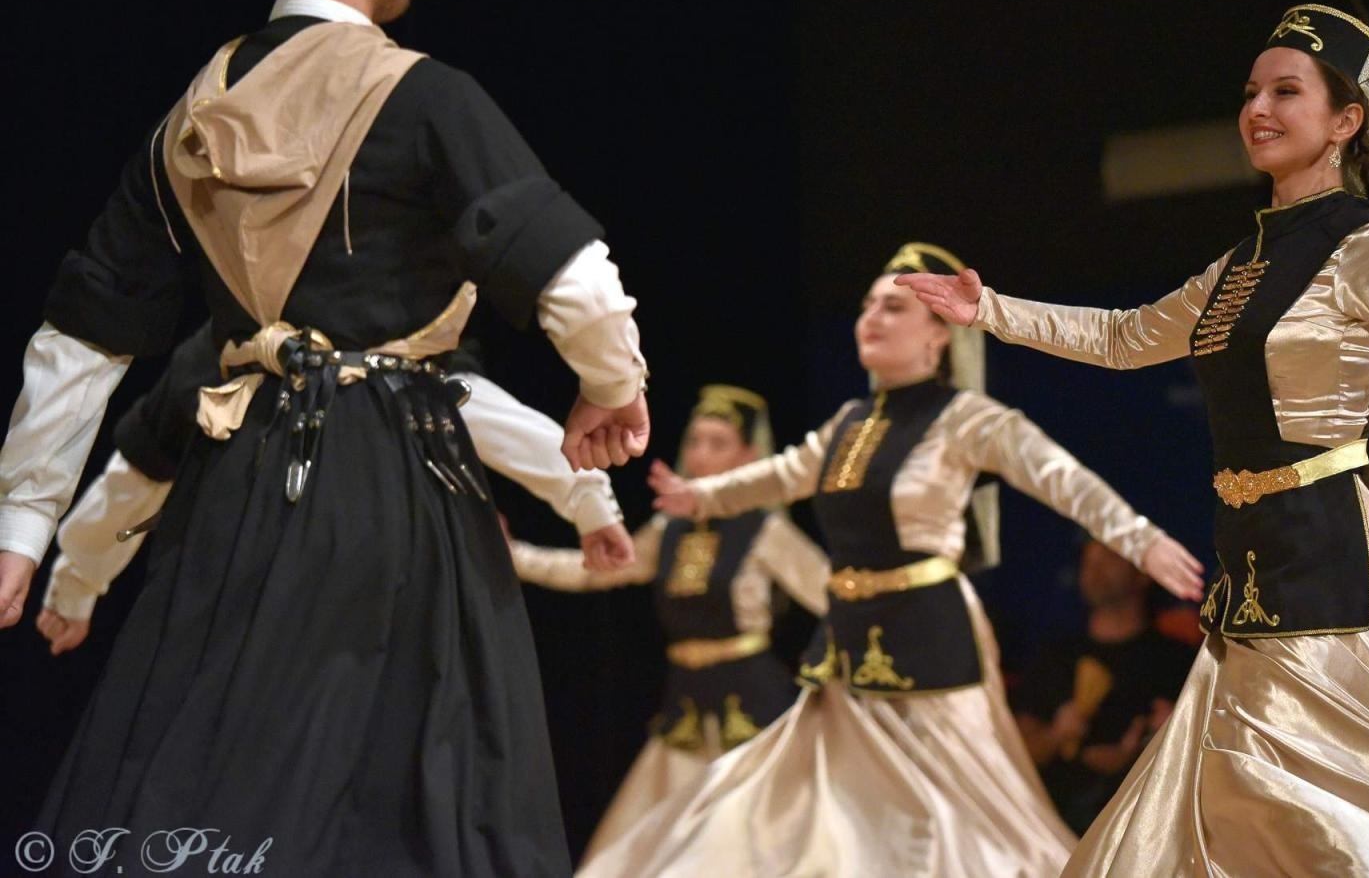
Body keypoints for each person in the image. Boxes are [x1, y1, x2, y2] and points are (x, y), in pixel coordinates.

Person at [0, 0, 649, 872]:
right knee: (429, 794)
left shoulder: (189, 120)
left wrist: (24, 525)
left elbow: (86, 330)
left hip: (231, 486)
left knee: (212, 770)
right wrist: (610, 388)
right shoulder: (428, 94)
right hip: (393, 486)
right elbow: (569, 273)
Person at [899, 3, 1369, 873]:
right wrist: (991, 312)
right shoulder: (1240, 266)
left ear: (1347, 122)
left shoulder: (1368, 247)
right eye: (1251, 92)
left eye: (1286, 91)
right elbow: (1123, 338)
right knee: (1254, 805)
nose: (1258, 109)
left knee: (1334, 795)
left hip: (1329, 553)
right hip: (1252, 564)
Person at [580, 242, 1204, 877]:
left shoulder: (965, 419)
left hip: (929, 635)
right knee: (807, 802)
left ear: (939, 334)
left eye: (895, 307)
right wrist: (698, 496)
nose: (872, 317)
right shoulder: (847, 423)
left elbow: (1060, 478)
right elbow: (783, 475)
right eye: (867, 305)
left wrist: (1139, 540)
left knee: (974, 814)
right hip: (849, 640)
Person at [35, 322, 628, 656]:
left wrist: (588, 501)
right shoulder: (224, 352)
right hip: (256, 612)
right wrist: (76, 584)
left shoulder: (396, 343)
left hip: (372, 618)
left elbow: (480, 411)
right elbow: (139, 475)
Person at [506, 384, 830, 863]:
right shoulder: (670, 530)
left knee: (752, 843)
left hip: (755, 707)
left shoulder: (765, 529)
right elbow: (595, 572)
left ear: (748, 456)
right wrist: (514, 557)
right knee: (654, 843)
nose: (700, 456)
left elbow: (833, 595)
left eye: (717, 445)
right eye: (695, 442)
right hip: (686, 703)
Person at [1010, 539, 1193, 834]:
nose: (1094, 569)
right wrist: (1057, 735)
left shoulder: (1178, 661)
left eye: (1109, 557)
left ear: (1143, 572)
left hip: (1145, 828)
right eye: (1088, 560)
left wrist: (1162, 740)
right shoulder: (1055, 658)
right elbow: (1017, 753)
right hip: (1058, 831)